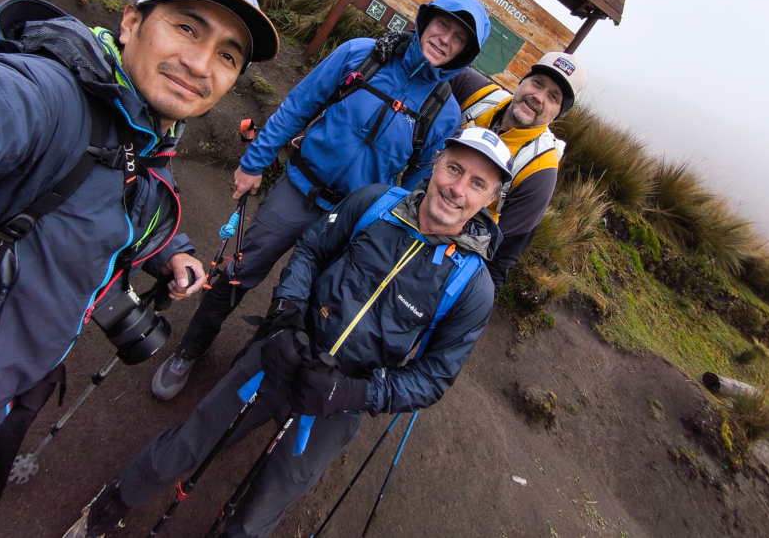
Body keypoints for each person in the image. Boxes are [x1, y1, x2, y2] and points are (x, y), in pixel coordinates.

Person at [0, 0, 279, 538]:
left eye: (227, 55)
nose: (200, 65)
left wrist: (172, 252)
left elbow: (127, 196)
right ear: (130, 22)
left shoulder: (143, 130)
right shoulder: (51, 99)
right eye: (187, 28)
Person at [66, 126, 511, 538]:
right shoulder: (375, 203)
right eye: (454, 168)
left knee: (268, 500)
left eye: (477, 183)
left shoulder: (472, 287)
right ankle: (115, 499)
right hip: (285, 349)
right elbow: (312, 250)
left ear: (491, 198)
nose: (457, 188)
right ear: (435, 163)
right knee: (193, 440)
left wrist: (351, 395)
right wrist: (286, 315)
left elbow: (433, 377)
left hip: (343, 398)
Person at [150, 0, 491, 400]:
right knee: (239, 270)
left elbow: (417, 187)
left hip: (353, 221)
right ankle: (190, 351)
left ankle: (248, 377)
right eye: (442, 25)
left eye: (458, 38)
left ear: (465, 53)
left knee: (309, 302)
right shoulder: (362, 54)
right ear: (425, 20)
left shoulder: (444, 113)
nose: (444, 39)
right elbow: (299, 105)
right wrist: (254, 162)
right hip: (297, 190)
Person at [449, 51, 587, 291]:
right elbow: (433, 62)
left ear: (557, 114)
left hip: (452, 252)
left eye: (552, 97)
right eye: (537, 83)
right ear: (522, 81)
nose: (537, 97)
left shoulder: (540, 172)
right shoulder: (480, 94)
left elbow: (499, 259)